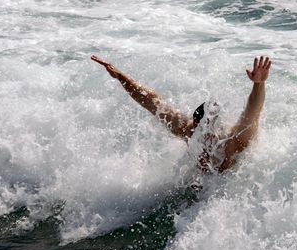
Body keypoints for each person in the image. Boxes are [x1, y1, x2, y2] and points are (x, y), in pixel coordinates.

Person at [91, 55, 271, 173]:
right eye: (204, 129)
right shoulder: (189, 131)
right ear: (196, 124)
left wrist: (258, 84)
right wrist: (121, 77)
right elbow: (153, 102)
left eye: (212, 131)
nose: (209, 137)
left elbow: (252, 113)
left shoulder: (233, 142)